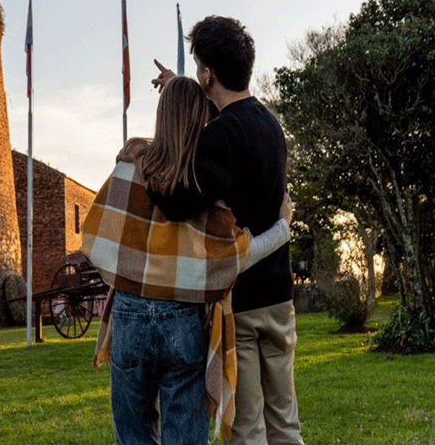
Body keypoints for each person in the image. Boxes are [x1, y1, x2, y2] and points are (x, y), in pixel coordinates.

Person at [81, 76, 294, 445]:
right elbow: (236, 256)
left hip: (129, 312)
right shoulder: (202, 184)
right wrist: (282, 228)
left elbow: (97, 239)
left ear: (160, 115)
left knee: (132, 437)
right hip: (183, 317)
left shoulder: (130, 165)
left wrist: (136, 272)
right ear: (202, 120)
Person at [151, 17, 304, 445]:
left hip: (242, 303)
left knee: (247, 428)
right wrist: (180, 83)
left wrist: (153, 161)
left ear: (207, 75)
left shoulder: (221, 135)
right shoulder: (271, 126)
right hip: (280, 298)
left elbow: (177, 203)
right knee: (285, 423)